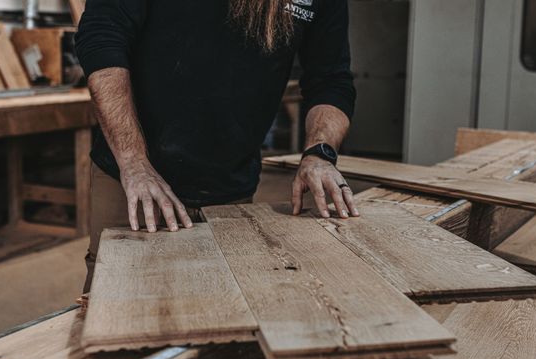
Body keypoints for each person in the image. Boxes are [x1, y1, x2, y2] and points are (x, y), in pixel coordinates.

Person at [75, 0, 357, 291]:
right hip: (133, 182)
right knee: (116, 306)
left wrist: (319, 153)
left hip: (230, 188)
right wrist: (134, 162)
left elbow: (331, 79)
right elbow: (102, 39)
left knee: (219, 308)